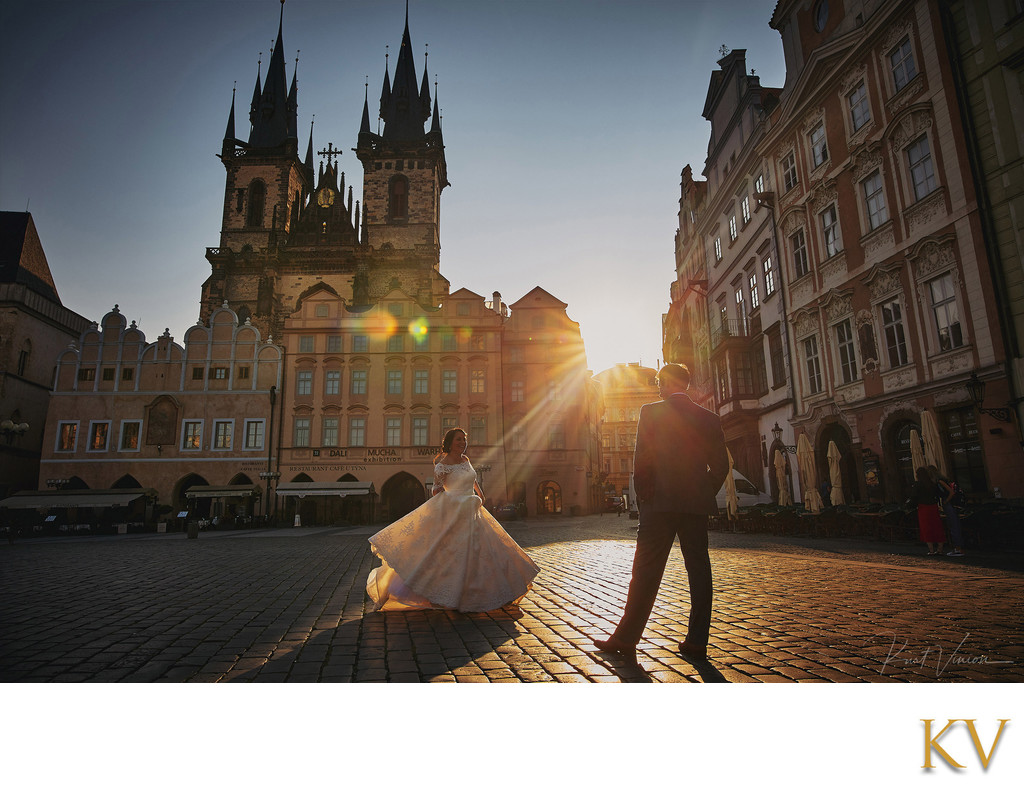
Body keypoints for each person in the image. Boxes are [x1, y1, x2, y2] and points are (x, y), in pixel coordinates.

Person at [594, 363, 728, 662]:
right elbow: (721, 466)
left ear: (667, 382)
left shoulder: (651, 412)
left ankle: (626, 638)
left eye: (658, 381)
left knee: (645, 573)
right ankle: (697, 642)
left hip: (659, 504)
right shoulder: (709, 418)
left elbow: (642, 461)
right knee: (699, 571)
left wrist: (644, 500)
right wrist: (701, 492)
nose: (657, 386)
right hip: (694, 505)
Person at [365, 428, 539, 612]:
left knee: (487, 553)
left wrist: (481, 495)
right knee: (443, 554)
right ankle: (437, 594)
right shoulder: (441, 466)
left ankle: (499, 592)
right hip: (453, 513)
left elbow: (473, 480)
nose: (463, 443)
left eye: (464, 440)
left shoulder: (466, 460)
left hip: (472, 511)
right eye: (459, 440)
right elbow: (436, 489)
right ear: (449, 443)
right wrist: (445, 498)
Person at [928, 464, 965, 557]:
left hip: (949, 504)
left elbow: (951, 492)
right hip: (949, 504)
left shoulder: (940, 481)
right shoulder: (942, 480)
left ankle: (958, 548)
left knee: (954, 525)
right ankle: (957, 548)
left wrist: (946, 501)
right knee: (953, 525)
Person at [909, 466, 945, 555]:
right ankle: (940, 549)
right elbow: (939, 494)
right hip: (933, 507)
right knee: (937, 526)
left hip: (923, 507)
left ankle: (931, 550)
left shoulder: (918, 484)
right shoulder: (933, 484)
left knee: (926, 527)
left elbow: (914, 496)